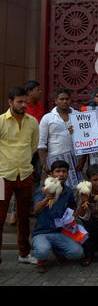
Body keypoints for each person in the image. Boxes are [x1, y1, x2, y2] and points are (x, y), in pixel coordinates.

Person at [0, 87, 39, 265]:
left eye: (25, 101)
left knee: (24, 217)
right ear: (10, 102)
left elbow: (33, 146)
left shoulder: (32, 122)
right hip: (2, 177)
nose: (24, 105)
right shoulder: (1, 121)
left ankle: (24, 254)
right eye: (19, 102)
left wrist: (24, 164)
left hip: (25, 175)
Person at [32, 160, 83, 273]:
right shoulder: (43, 189)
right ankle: (41, 261)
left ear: (67, 174)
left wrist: (73, 216)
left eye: (64, 171)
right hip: (42, 232)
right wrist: (47, 198)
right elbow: (35, 210)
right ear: (51, 174)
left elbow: (72, 206)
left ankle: (57, 251)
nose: (61, 174)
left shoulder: (68, 191)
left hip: (59, 232)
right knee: (42, 251)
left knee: (77, 252)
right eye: (57, 171)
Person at [38, 87, 77, 180]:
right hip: (54, 160)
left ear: (70, 100)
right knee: (54, 190)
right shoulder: (47, 118)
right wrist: (44, 164)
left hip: (74, 161)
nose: (64, 101)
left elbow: (86, 141)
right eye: (61, 99)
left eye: (67, 99)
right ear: (56, 101)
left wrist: (82, 162)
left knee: (72, 191)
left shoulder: (78, 116)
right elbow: (41, 143)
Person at [24, 80, 45, 196]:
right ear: (29, 92)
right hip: (25, 150)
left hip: (37, 149)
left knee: (36, 177)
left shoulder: (39, 106)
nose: (40, 92)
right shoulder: (23, 107)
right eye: (38, 90)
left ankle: (34, 204)